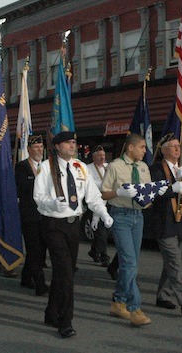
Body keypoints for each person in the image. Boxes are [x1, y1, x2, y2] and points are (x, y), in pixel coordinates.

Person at [34, 131, 112, 338]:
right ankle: (65, 321)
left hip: (73, 225)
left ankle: (51, 312)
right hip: (53, 224)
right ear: (57, 146)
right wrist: (51, 202)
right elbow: (38, 196)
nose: (72, 145)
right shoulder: (46, 167)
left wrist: (103, 213)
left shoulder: (80, 167)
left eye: (74, 142)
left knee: (63, 272)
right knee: (67, 273)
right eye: (68, 142)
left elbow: (93, 196)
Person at [101, 133, 167, 327]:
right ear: (130, 148)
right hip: (120, 215)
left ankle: (117, 301)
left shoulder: (143, 167)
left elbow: (145, 192)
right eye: (142, 147)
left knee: (132, 263)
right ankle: (134, 308)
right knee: (129, 263)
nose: (145, 151)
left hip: (138, 216)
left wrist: (156, 191)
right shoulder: (115, 166)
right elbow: (104, 193)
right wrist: (119, 192)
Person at [150, 133, 182, 316]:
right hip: (165, 222)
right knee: (174, 263)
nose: (178, 149)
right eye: (173, 146)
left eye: (179, 146)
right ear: (164, 151)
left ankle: (163, 296)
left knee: (171, 263)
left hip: (181, 223)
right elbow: (154, 194)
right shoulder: (155, 169)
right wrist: (173, 189)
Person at [15, 134, 49, 296]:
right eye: (36, 147)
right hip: (29, 215)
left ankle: (26, 277)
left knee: (40, 249)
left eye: (41, 147)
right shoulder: (22, 167)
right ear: (29, 149)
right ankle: (40, 283)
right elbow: (24, 187)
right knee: (34, 248)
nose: (39, 150)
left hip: (45, 214)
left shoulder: (48, 166)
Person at [86, 145, 111, 267]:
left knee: (104, 231)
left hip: (109, 202)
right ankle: (105, 257)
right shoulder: (88, 168)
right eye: (99, 156)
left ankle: (94, 251)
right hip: (95, 203)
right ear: (93, 157)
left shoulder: (108, 167)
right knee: (101, 232)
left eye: (103, 156)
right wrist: (105, 184)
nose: (102, 158)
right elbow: (91, 185)